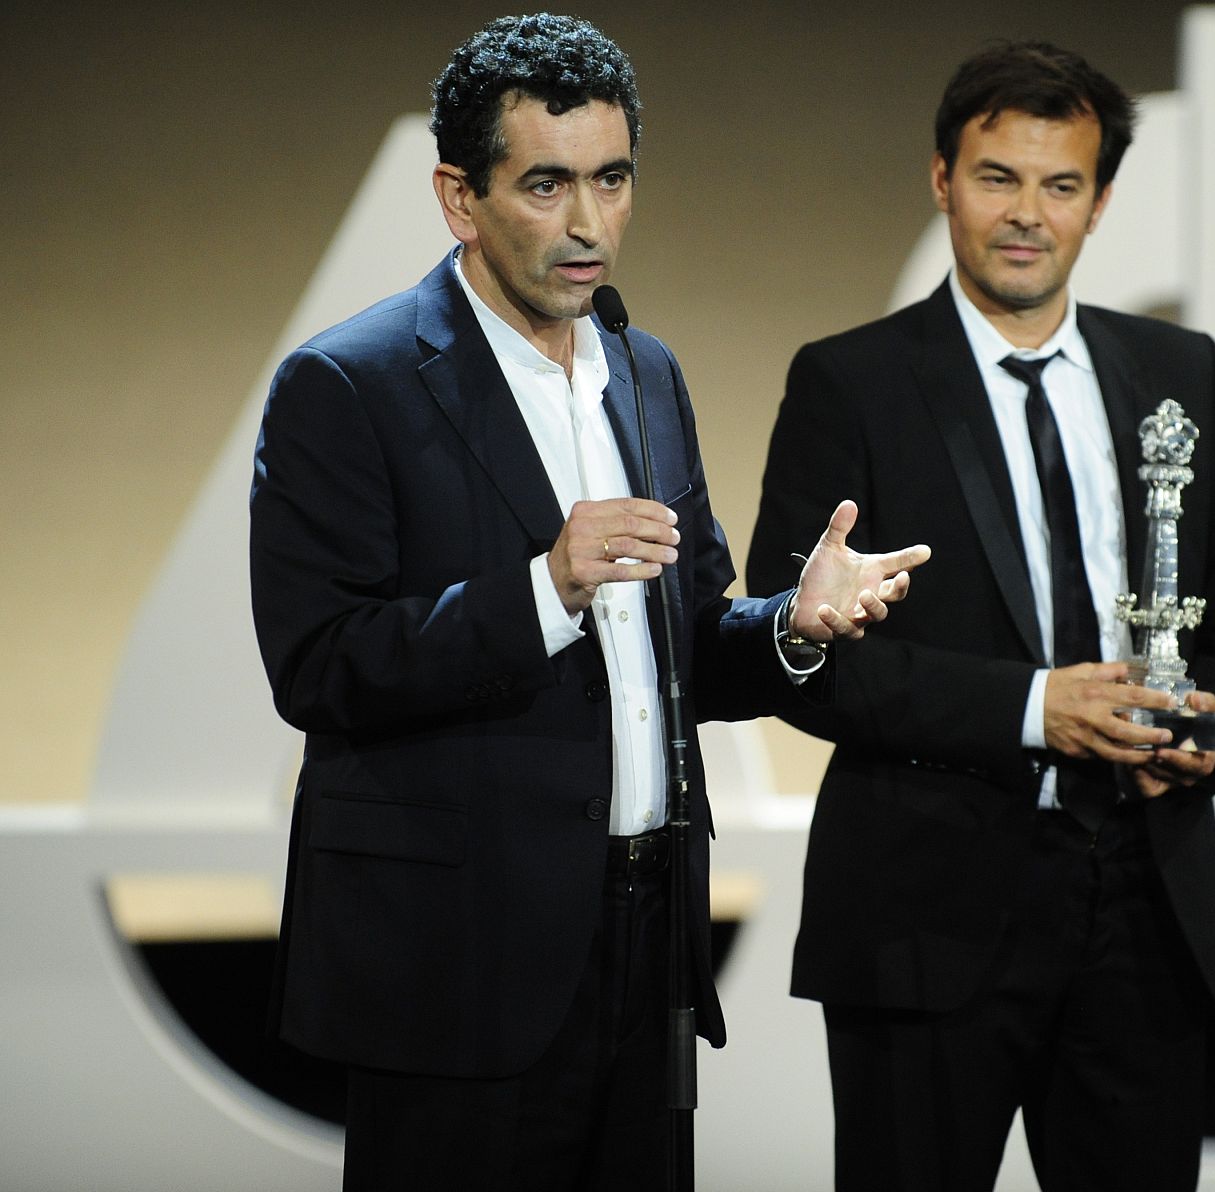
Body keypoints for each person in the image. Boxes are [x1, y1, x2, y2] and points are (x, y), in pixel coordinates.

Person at [249, 14, 928, 1191]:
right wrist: (542, 587)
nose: (587, 225)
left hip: (645, 941)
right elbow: (321, 664)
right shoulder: (346, 384)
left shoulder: (643, 369)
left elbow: (689, 649)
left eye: (611, 180)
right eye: (547, 184)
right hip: (454, 962)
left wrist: (790, 627)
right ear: (460, 199)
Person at [747, 40, 1215, 1192]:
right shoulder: (849, 382)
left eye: (1060, 185)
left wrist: (1213, 724)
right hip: (926, 915)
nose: (1026, 215)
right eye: (997, 177)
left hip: (1146, 909)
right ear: (941, 179)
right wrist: (1037, 709)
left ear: (1099, 204)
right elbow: (795, 663)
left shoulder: (1179, 370)